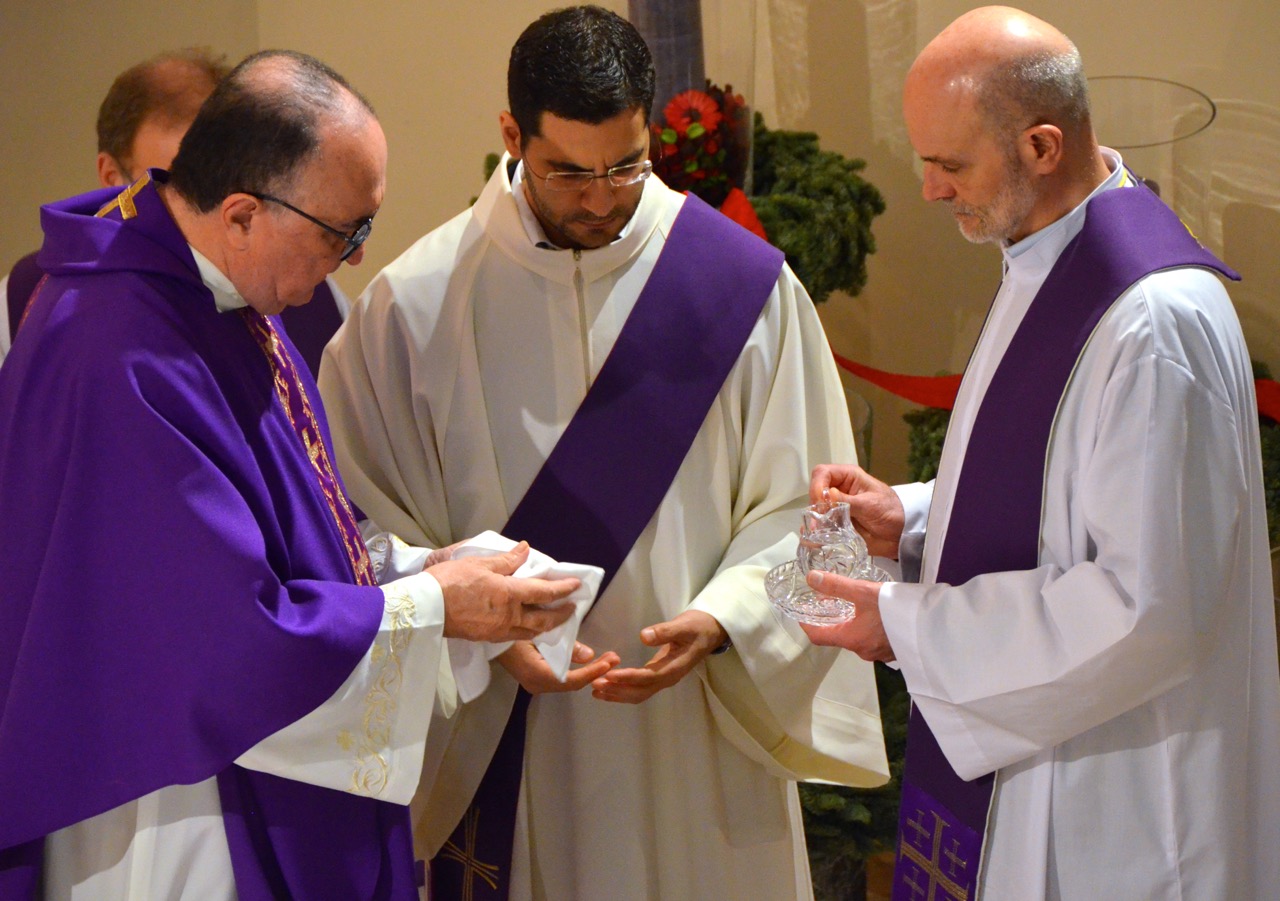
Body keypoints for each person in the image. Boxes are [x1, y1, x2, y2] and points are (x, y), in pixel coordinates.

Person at [319, 6, 888, 899]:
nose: (600, 198)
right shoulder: (413, 309)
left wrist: (730, 619)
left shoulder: (746, 291)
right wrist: (469, 631)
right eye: (569, 173)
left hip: (696, 734)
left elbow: (819, 514)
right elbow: (353, 529)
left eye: (626, 165)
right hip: (510, 736)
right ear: (513, 136)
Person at [0, 50, 583, 900]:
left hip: (227, 761)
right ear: (241, 213)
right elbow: (225, 645)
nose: (353, 260)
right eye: (342, 233)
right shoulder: (120, 351)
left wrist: (417, 567)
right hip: (173, 797)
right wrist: (436, 605)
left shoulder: (216, 293)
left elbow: (286, 524)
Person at [801, 7, 1280, 899]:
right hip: (1043, 755)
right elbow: (1052, 487)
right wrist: (909, 518)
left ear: (1042, 146)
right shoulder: (1045, 261)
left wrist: (906, 624)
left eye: (951, 165)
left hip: (1120, 800)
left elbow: (1148, 607)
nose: (930, 190)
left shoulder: (1149, 322)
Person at [2, 48, 347, 376]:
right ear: (112, 178)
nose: (219, 211)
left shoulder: (307, 290)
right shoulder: (33, 299)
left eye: (231, 179)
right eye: (179, 186)